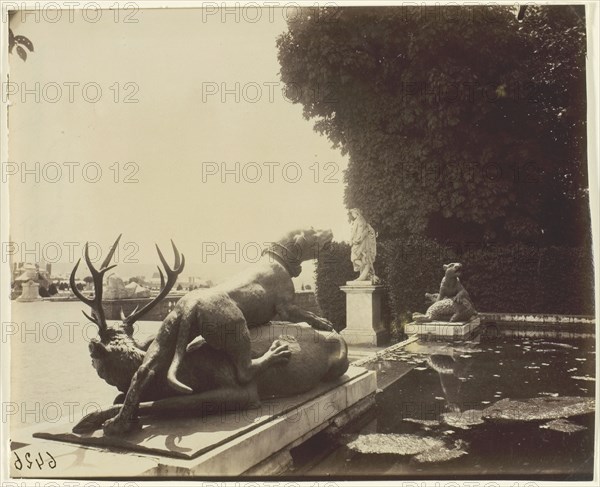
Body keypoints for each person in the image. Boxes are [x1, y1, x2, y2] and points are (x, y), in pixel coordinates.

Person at [349, 208, 378, 282]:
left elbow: (353, 232)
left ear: (356, 213)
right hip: (363, 242)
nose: (352, 215)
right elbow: (367, 231)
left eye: (353, 213)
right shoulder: (364, 221)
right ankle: (364, 273)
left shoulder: (357, 221)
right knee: (363, 256)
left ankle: (363, 268)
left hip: (357, 241)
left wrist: (351, 240)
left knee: (354, 257)